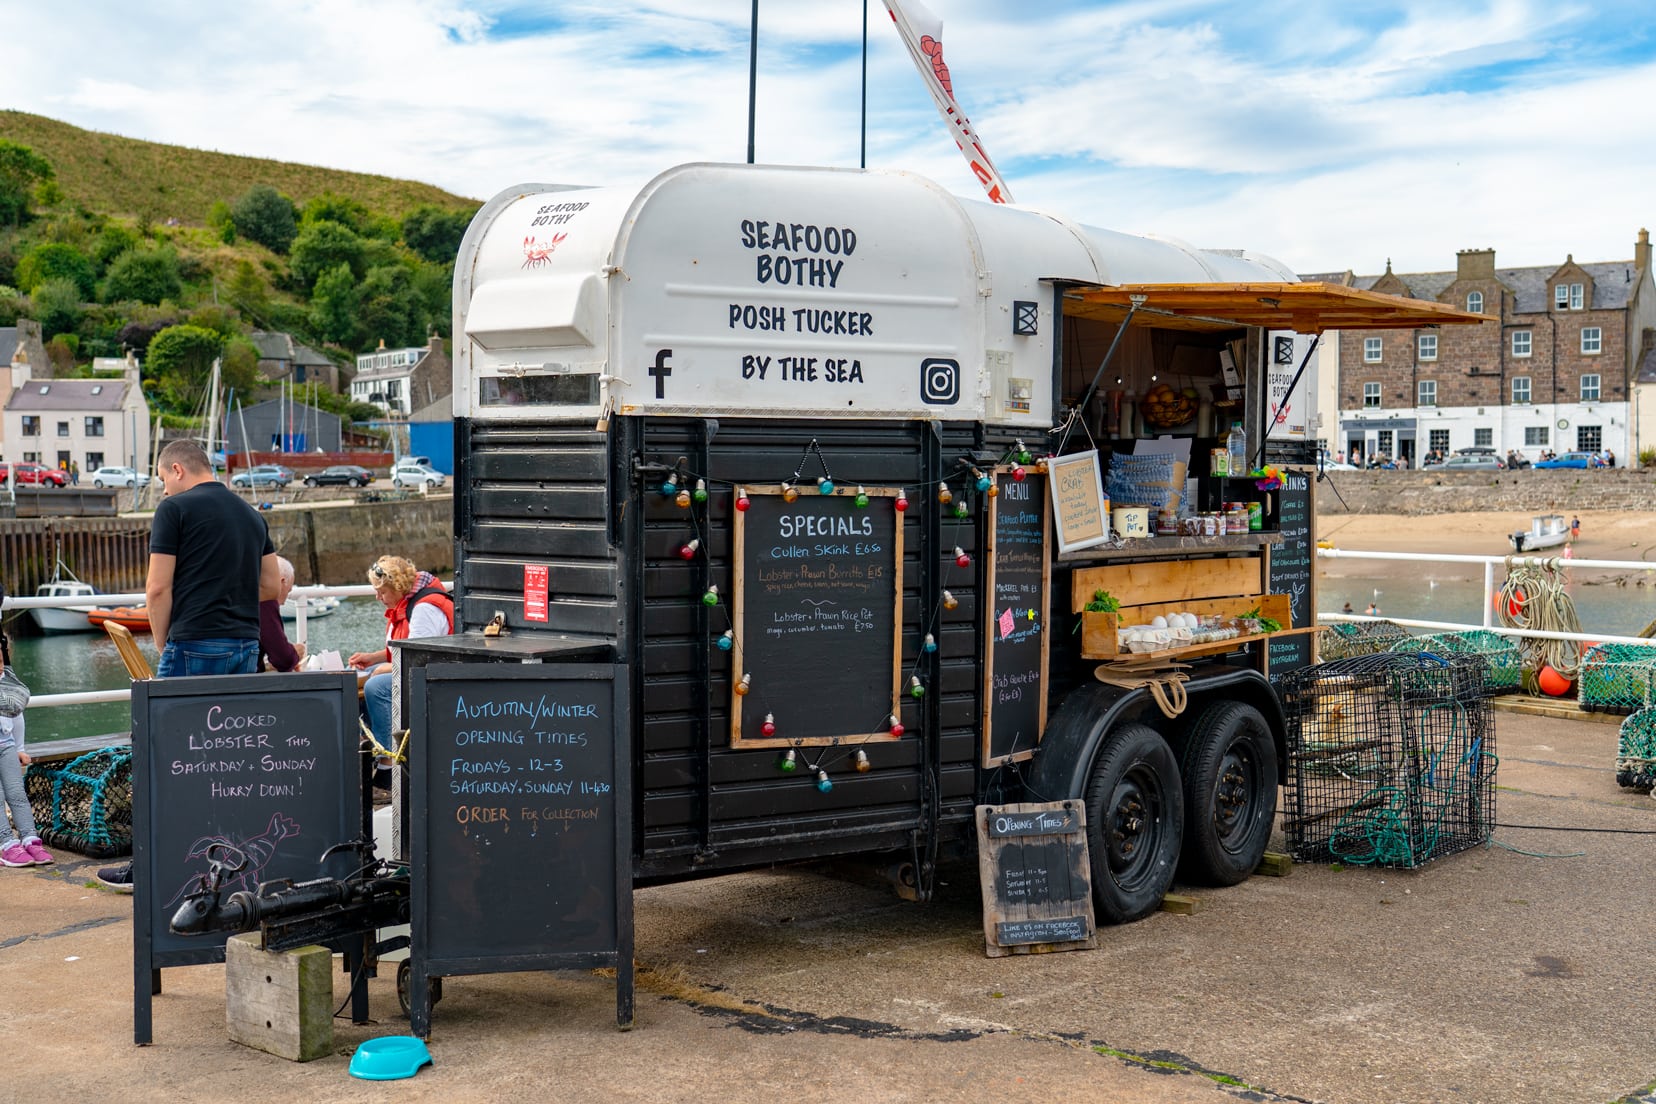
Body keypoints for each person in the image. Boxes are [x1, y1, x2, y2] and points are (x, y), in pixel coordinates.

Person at [97, 440, 278, 892]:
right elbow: (271, 584)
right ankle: (224, 867)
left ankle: (151, 867)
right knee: (224, 763)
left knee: (163, 759)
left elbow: (157, 590)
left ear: (176, 469)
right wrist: (227, 596)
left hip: (193, 644)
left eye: (161, 480)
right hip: (243, 647)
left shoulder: (174, 511)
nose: (162, 489)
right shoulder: (251, 514)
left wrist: (164, 642)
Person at [349, 556, 453, 772]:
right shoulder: (409, 603)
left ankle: (389, 763)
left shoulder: (424, 609)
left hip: (433, 676)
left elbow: (417, 658)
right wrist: (373, 658)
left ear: (398, 587)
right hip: (417, 669)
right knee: (366, 675)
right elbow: (405, 648)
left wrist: (380, 669)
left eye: (382, 592)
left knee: (376, 686)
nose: (378, 597)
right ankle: (373, 744)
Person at [0, 620, 52, 869]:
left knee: (17, 793)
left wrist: (20, 747)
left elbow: (16, 717)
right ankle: (5, 844)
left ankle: (29, 837)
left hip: (6, 745)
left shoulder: (8, 688)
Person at [258, 556, 306, 673]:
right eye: (288, 591)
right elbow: (284, 659)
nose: (284, 602)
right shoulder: (265, 601)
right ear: (282, 582)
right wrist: (295, 653)